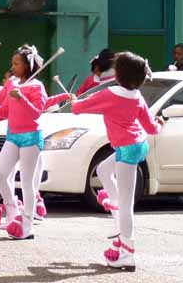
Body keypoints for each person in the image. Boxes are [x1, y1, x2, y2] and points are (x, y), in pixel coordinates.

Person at [70, 52, 163, 271]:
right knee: (103, 170)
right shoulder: (137, 96)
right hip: (137, 144)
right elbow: (151, 128)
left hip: (127, 150)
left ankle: (127, 253)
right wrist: (159, 124)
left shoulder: (111, 94)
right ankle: (115, 210)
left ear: (119, 74)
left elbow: (77, 108)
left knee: (127, 205)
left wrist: (75, 100)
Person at [0, 45, 69, 240]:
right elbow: (3, 112)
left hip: (31, 137)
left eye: (16, 63)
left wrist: (22, 97)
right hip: (13, 136)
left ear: (27, 65)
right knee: (1, 174)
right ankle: (12, 212)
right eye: (13, 63)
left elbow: (37, 112)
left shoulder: (37, 86)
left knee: (27, 182)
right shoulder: (12, 84)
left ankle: (27, 225)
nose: (13, 66)